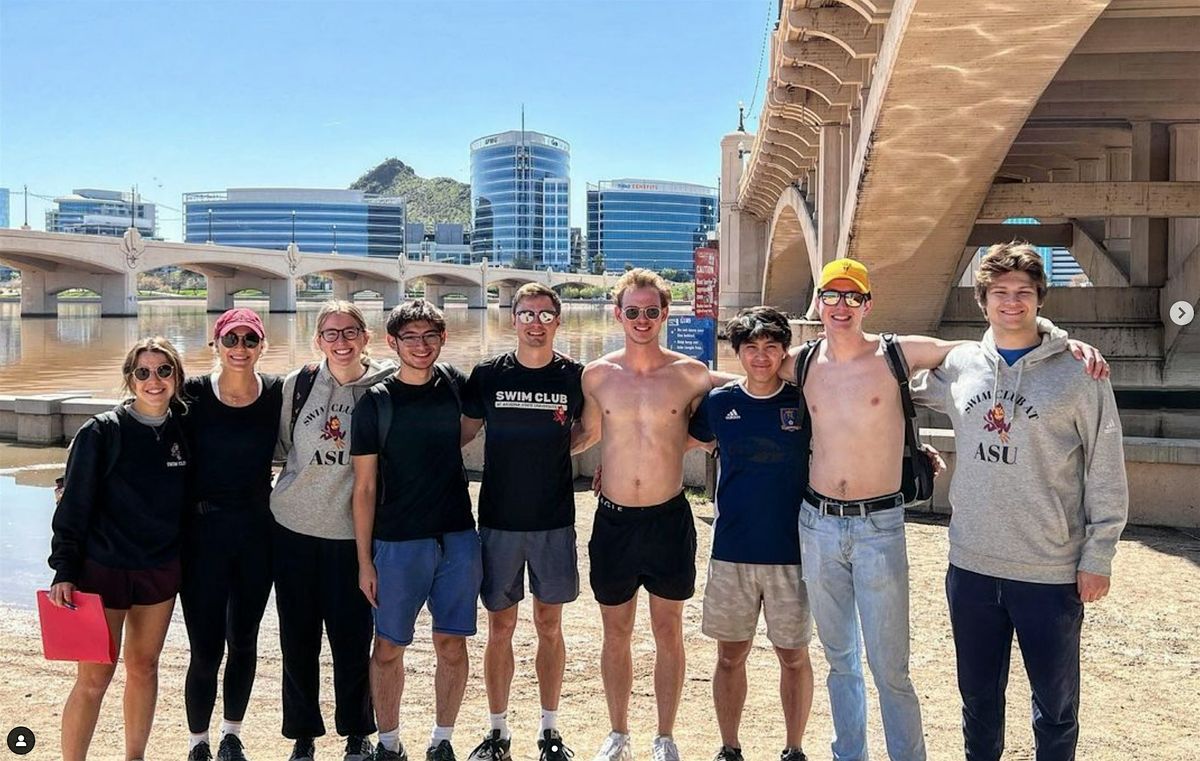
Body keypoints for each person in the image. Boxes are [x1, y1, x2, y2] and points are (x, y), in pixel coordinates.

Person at [781, 258, 1108, 761]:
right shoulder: (799, 362)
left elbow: (979, 350)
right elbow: (747, 370)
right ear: (817, 302)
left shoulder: (904, 355)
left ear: (868, 304)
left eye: (852, 297)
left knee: (900, 668)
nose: (841, 306)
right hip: (840, 527)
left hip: (896, 528)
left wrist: (1063, 344)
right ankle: (850, 754)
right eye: (831, 295)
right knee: (848, 662)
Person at [910, 243, 1128, 760]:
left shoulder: (1079, 373)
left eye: (1023, 292)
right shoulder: (961, 364)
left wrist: (1098, 556)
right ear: (982, 301)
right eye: (1000, 293)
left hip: (1050, 570)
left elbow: (1105, 464)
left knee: (1055, 706)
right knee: (978, 700)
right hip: (972, 564)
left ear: (1039, 300)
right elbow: (888, 389)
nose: (1012, 302)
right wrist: (908, 450)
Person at [576, 268, 725, 761]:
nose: (643, 319)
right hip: (614, 520)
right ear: (618, 314)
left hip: (668, 518)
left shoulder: (691, 374)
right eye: (633, 311)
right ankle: (618, 732)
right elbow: (588, 435)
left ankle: (665, 735)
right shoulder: (596, 374)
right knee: (615, 632)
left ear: (666, 313)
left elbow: (760, 379)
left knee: (668, 631)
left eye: (652, 311)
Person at [48, 336, 190, 761]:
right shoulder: (100, 432)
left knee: (144, 668)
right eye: (143, 372)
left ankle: (135, 757)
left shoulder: (185, 430)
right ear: (130, 380)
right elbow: (73, 504)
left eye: (164, 371)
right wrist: (64, 570)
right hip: (102, 568)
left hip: (159, 569)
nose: (154, 380)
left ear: (177, 378)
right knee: (95, 677)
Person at [352, 299, 482, 761]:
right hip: (397, 542)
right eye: (410, 337)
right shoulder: (375, 402)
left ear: (443, 340)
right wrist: (365, 560)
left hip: (457, 538)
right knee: (387, 647)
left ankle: (442, 739)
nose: (421, 345)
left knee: (452, 642)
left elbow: (472, 429)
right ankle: (388, 743)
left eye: (430, 336)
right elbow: (364, 487)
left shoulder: (456, 387)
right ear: (392, 343)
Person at [459, 283, 584, 761]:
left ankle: (550, 731)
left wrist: (553, 452)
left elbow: (589, 428)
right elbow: (463, 433)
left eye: (544, 314)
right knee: (500, 628)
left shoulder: (574, 375)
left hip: (554, 521)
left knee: (550, 625)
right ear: (512, 319)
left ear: (558, 321)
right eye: (526, 313)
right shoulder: (488, 374)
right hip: (498, 521)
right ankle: (497, 732)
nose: (535, 322)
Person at [272, 301, 397, 761]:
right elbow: (281, 448)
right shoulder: (298, 385)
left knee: (352, 638)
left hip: (353, 535)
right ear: (318, 340)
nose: (340, 341)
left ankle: (357, 731)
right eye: (330, 333)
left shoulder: (386, 386)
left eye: (350, 332)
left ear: (366, 338)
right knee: (297, 638)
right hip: (294, 528)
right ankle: (303, 735)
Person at [688, 307, 814, 761]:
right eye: (751, 347)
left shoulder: (803, 401)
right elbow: (675, 438)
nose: (761, 356)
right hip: (733, 551)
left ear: (784, 351)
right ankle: (730, 746)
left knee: (794, 657)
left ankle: (794, 747)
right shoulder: (719, 404)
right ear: (737, 352)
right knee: (728, 656)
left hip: (793, 551)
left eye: (771, 347)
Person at [181, 307, 284, 761]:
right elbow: (136, 419)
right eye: (231, 339)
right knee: (206, 648)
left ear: (263, 346)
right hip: (202, 536)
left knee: (244, 639)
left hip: (258, 534)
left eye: (250, 340)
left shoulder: (278, 394)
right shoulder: (192, 395)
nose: (240, 348)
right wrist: (77, 469)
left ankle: (231, 734)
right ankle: (198, 742)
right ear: (216, 345)